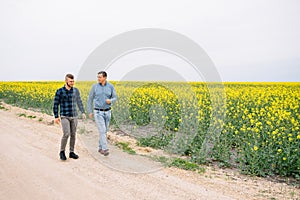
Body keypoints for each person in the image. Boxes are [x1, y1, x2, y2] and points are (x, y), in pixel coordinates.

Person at [53, 74, 86, 161]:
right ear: (66, 81)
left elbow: (79, 102)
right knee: (66, 133)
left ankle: (71, 152)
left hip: (74, 116)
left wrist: (83, 112)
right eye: (71, 81)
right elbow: (56, 104)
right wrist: (56, 116)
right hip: (64, 116)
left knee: (73, 134)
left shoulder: (75, 91)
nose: (72, 83)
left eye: (73, 81)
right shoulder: (60, 91)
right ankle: (62, 152)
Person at [87, 71, 117, 156]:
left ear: (105, 78)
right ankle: (105, 149)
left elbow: (115, 97)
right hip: (98, 112)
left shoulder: (110, 86)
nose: (98, 79)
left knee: (104, 131)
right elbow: (90, 99)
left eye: (100, 77)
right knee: (102, 130)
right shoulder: (94, 87)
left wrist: (110, 101)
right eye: (98, 77)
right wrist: (90, 111)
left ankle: (100, 148)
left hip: (108, 112)